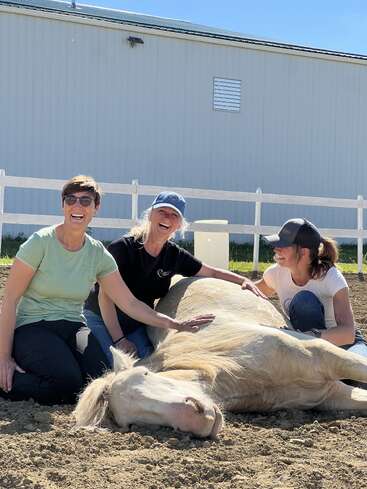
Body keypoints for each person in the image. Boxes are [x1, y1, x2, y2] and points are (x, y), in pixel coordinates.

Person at [0, 177, 213, 405]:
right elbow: (10, 300)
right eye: (70, 199)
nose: (77, 206)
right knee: (68, 383)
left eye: (85, 201)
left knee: (102, 380)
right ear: (63, 205)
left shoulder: (97, 254)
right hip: (33, 326)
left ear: (96, 208)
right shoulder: (39, 243)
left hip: (74, 327)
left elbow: (130, 303)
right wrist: (3, 357)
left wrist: (175, 324)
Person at [84, 191, 264, 364]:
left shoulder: (174, 255)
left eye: (174, 215)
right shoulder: (122, 248)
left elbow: (213, 272)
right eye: (162, 211)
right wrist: (119, 339)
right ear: (150, 215)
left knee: (148, 362)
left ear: (179, 224)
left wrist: (243, 280)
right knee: (113, 363)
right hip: (101, 317)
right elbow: (105, 297)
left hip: (137, 321)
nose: (167, 218)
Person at [255, 218, 367, 360]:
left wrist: (304, 337)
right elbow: (251, 292)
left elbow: (347, 334)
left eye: (284, 245)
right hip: (306, 348)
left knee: (362, 374)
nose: (276, 249)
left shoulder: (331, 277)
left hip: (343, 344)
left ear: (304, 252)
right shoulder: (275, 274)